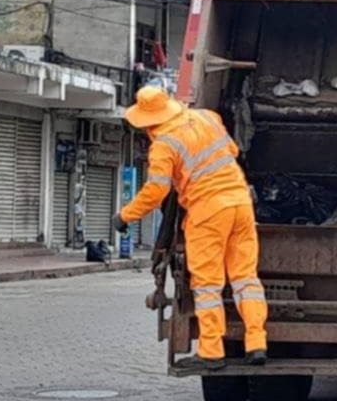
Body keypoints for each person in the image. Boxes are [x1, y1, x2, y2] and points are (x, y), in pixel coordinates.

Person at [113, 86, 268, 369]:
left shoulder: (164, 145)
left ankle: (211, 352)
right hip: (241, 204)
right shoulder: (208, 117)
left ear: (147, 121)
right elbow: (232, 150)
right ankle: (256, 343)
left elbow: (156, 191)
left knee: (207, 285)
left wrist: (125, 216)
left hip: (208, 212)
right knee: (246, 278)